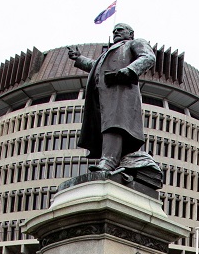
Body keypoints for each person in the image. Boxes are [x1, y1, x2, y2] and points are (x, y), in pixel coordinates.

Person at [66, 23, 158, 173]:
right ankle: (112, 159)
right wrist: (79, 58)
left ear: (131, 33)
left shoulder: (134, 43)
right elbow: (96, 66)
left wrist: (129, 70)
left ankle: (109, 160)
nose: (116, 32)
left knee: (115, 124)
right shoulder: (109, 52)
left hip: (121, 92)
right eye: (114, 30)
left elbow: (148, 57)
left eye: (120, 29)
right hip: (104, 95)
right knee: (107, 124)